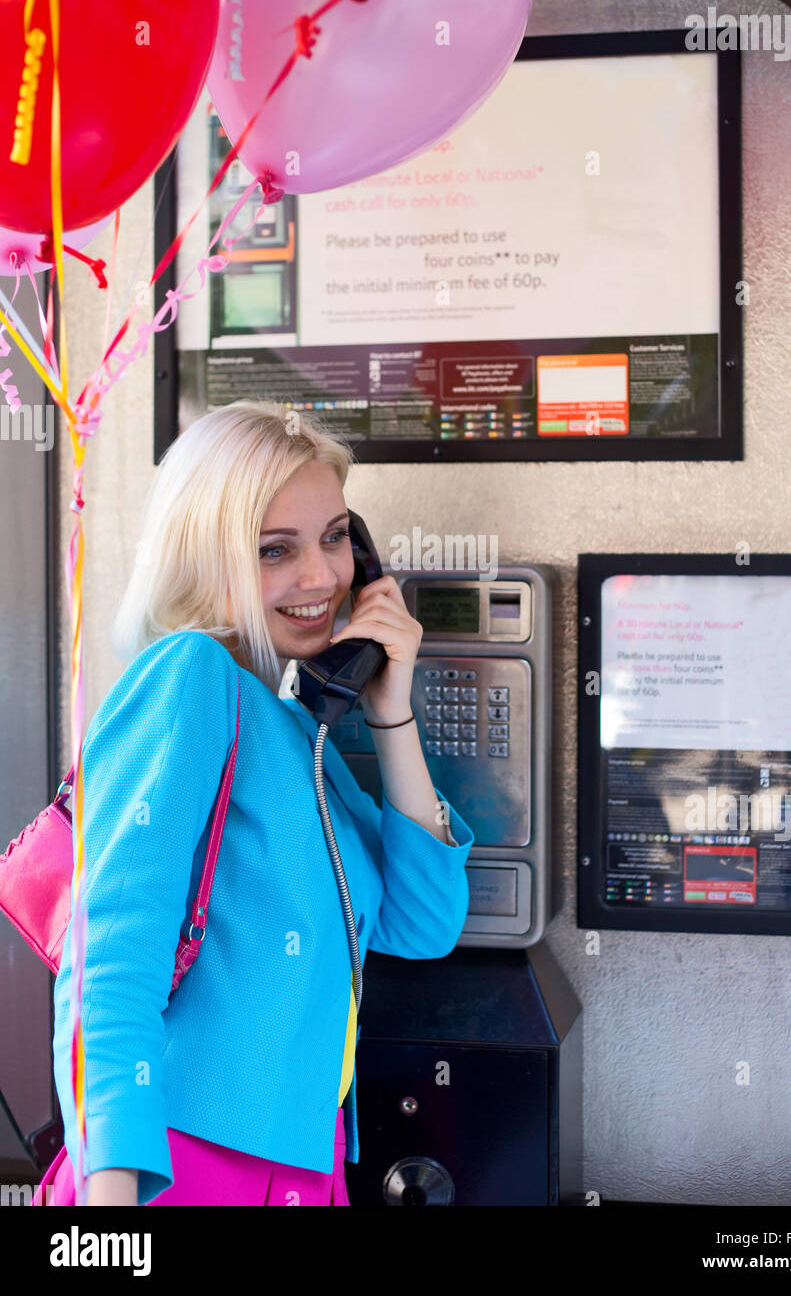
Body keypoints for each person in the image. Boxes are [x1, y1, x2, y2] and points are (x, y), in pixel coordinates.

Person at [36, 400, 475, 1207]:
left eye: (336, 537)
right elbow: (110, 960)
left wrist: (388, 708)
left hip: (304, 1173)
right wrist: (109, 1204)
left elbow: (425, 922)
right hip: (175, 1167)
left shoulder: (301, 737)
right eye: (276, 550)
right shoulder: (190, 676)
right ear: (208, 558)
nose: (321, 577)